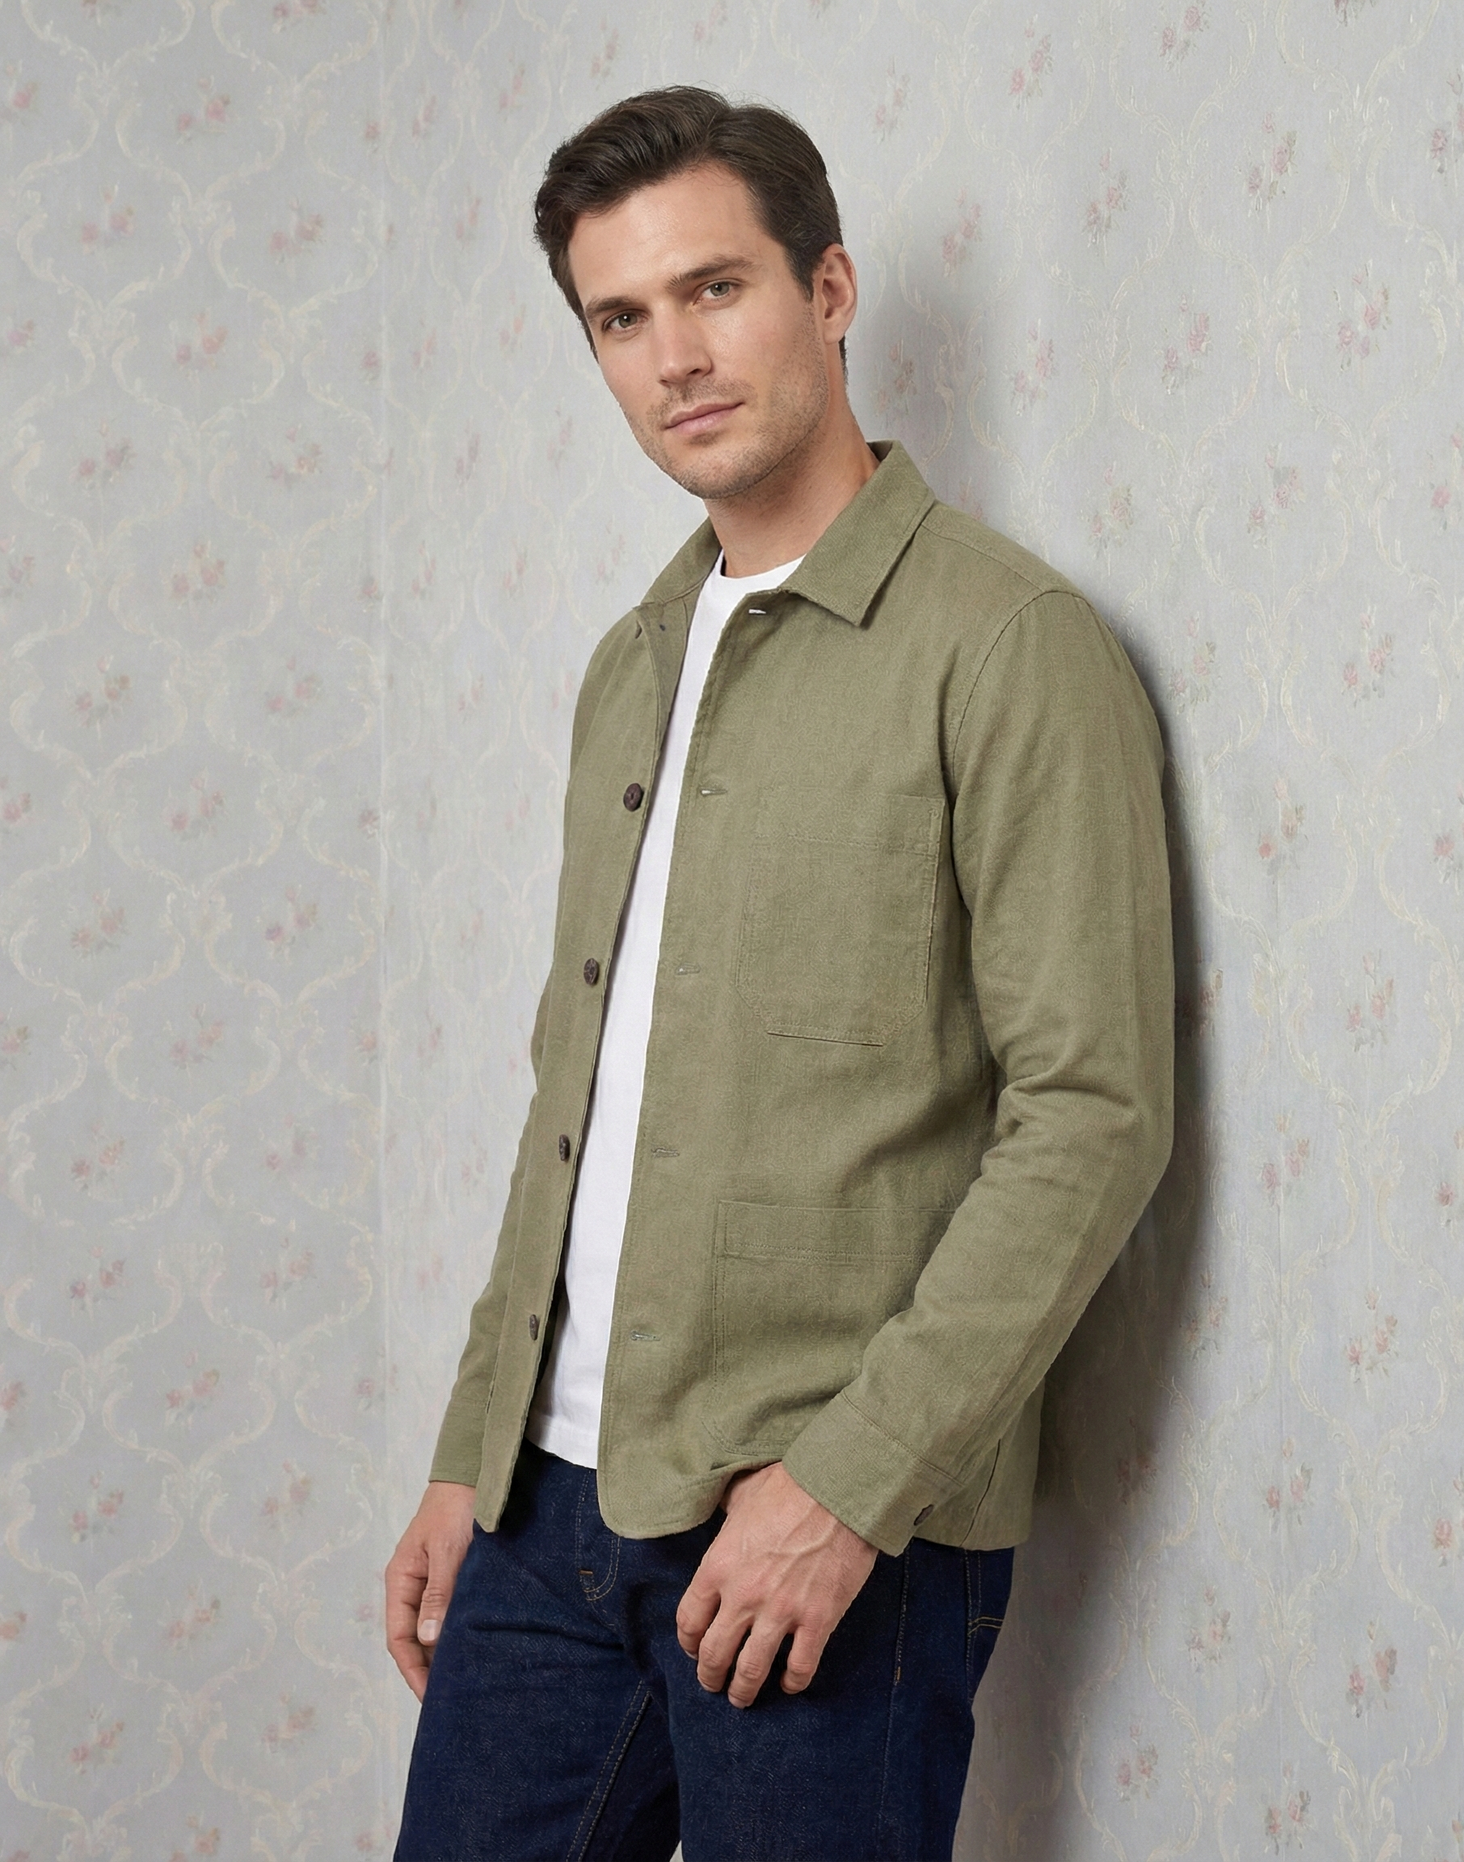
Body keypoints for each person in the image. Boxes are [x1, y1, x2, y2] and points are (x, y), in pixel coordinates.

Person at [386, 85, 1174, 1862]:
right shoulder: (629, 663)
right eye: (621, 318)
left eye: (714, 287)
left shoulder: (1010, 646)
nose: (674, 355)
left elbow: (1092, 1112)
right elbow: (573, 1096)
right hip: (543, 1512)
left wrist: (848, 1485)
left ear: (828, 289)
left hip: (824, 1527)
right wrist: (468, 1451)